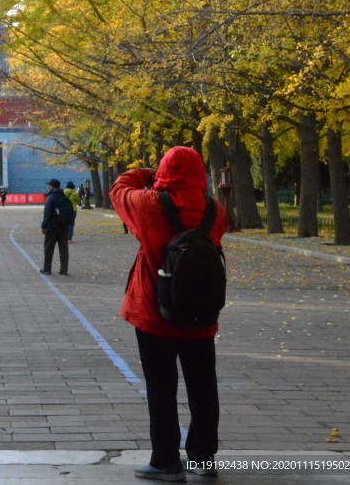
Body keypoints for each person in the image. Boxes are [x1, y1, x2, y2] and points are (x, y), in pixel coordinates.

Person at [110, 147, 227, 481]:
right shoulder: (215, 210)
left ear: (163, 170)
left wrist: (145, 175)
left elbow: (119, 190)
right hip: (201, 310)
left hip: (154, 310)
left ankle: (165, 462)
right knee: (203, 385)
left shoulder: (147, 204)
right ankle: (203, 458)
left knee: (161, 387)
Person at [40, 179, 73, 275]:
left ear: (52, 187)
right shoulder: (65, 197)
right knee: (63, 249)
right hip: (64, 227)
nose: (48, 187)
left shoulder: (50, 198)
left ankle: (47, 268)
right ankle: (64, 270)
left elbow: (47, 213)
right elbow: (71, 212)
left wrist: (44, 226)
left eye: (49, 185)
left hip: (52, 227)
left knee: (49, 248)